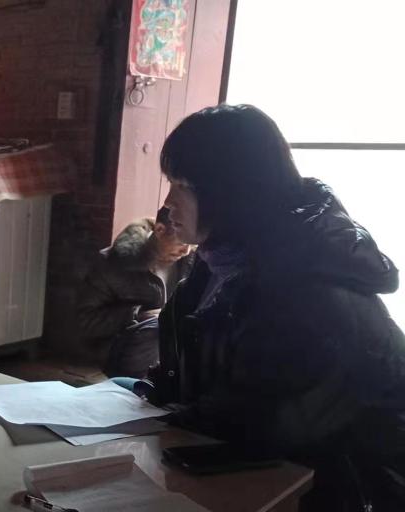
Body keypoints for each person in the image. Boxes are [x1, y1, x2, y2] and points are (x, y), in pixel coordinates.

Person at [139, 104, 405, 510]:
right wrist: (153, 390)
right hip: (263, 460)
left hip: (344, 487)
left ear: (232, 190)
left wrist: (169, 417)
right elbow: (195, 371)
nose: (168, 204)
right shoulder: (221, 260)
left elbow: (265, 423)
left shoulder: (308, 290)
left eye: (183, 186)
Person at [76, 208, 192, 378]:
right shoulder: (112, 263)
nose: (186, 251)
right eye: (182, 243)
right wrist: (137, 314)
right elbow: (85, 321)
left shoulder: (191, 264)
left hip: (171, 353)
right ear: (159, 230)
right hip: (122, 347)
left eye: (192, 244)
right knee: (158, 326)